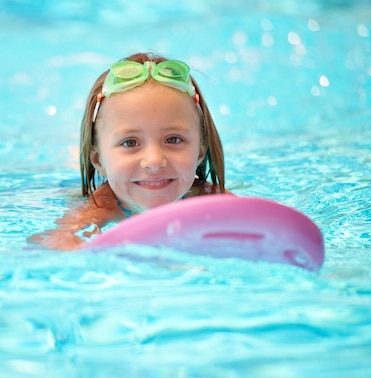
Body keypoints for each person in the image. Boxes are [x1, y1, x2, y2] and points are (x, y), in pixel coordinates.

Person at [29, 52, 230, 250]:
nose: (153, 160)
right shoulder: (102, 206)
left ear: (200, 152)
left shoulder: (209, 198)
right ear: (98, 160)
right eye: (130, 143)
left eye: (173, 139)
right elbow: (56, 242)